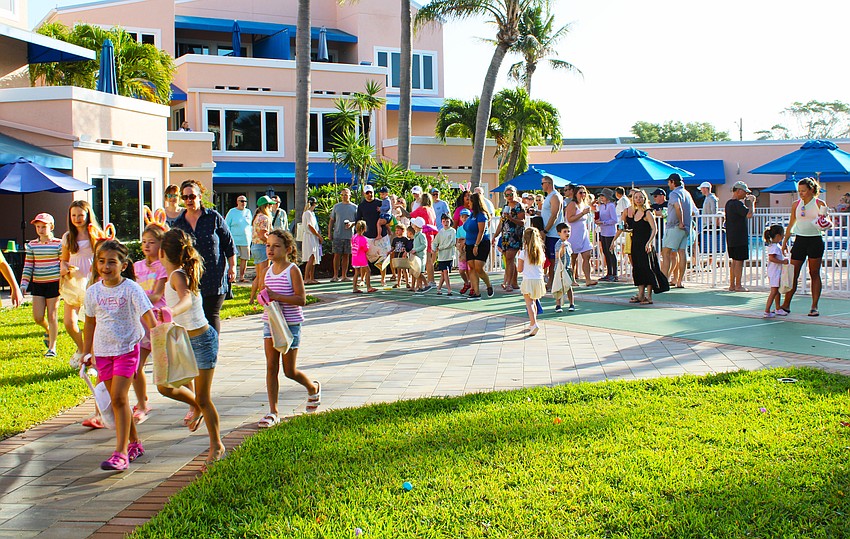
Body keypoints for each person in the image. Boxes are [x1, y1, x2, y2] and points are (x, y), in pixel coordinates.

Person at [81, 239, 156, 471]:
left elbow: (149, 317)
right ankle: (135, 443)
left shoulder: (131, 288)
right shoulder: (93, 292)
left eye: (112, 262)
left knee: (120, 399)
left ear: (123, 265)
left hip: (127, 350)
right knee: (116, 401)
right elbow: (90, 322)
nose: (105, 267)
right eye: (101, 261)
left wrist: (162, 343)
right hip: (103, 353)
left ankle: (121, 453)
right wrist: (86, 352)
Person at [158, 229, 226, 464]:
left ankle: (216, 445)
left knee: (205, 399)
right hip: (184, 342)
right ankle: (196, 405)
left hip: (203, 341)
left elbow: (185, 298)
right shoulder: (173, 275)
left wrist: (171, 312)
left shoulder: (178, 275)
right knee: (164, 386)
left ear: (162, 253)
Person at [257, 230, 320, 427]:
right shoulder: (267, 270)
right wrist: (264, 299)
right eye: (268, 245)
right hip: (271, 323)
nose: (270, 249)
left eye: (276, 246)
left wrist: (276, 296)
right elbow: (267, 294)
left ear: (288, 249)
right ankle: (273, 411)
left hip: (290, 325)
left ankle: (312, 388)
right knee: (271, 366)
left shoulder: (292, 270)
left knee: (289, 370)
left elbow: (301, 299)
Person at [172, 179, 237, 333]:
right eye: (185, 197)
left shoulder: (213, 217)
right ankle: (200, 349)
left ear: (200, 197)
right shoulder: (179, 223)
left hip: (215, 275)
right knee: (195, 315)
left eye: (192, 196)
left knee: (211, 314)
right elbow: (174, 250)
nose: (188, 200)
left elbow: (229, 243)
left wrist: (232, 267)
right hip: (191, 276)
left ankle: (212, 348)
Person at [130, 224, 167, 424]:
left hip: (159, 321)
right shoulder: (136, 266)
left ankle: (194, 402)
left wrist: (137, 300)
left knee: (172, 365)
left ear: (160, 244)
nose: (146, 246)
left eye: (152, 242)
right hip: (141, 323)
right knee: (137, 365)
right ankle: (142, 403)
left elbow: (158, 295)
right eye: (144, 242)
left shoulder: (163, 266)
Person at [60, 200, 102, 368]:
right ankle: (81, 348)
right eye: (74, 215)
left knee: (90, 323)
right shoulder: (68, 237)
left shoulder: (96, 234)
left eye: (80, 215)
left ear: (87, 215)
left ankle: (91, 360)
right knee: (69, 322)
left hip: (91, 282)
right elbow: (63, 260)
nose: (77, 218)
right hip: (73, 282)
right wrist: (64, 268)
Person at [779, 177, 828, 317]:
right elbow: (791, 224)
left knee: (814, 273)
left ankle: (814, 306)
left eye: (803, 191)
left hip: (815, 240)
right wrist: (784, 242)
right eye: (799, 191)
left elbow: (824, 222)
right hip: (800, 240)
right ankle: (786, 304)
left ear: (811, 190)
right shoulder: (796, 204)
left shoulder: (819, 203)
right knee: (793, 273)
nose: (801, 193)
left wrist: (825, 219)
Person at [21, 213, 62, 358]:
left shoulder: (58, 243)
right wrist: (24, 284)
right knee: (38, 317)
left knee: (52, 315)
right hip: (38, 284)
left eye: (44, 226)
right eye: (38, 227)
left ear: (51, 227)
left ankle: (52, 347)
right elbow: (28, 266)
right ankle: (49, 330)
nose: (40, 229)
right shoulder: (32, 245)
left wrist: (64, 282)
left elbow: (63, 263)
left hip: (53, 283)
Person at [625, 190, 660, 305]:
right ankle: (640, 294)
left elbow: (654, 229)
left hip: (645, 245)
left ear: (645, 199)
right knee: (638, 269)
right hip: (636, 244)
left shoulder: (648, 213)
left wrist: (649, 242)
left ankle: (649, 296)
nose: (638, 199)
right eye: (636, 197)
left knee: (647, 269)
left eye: (641, 197)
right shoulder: (635, 213)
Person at [661, 173, 695, 288]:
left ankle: (663, 280)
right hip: (686, 228)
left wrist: (680, 221)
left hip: (675, 226)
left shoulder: (674, 193)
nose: (668, 184)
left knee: (665, 252)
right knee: (682, 252)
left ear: (672, 182)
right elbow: (694, 211)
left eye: (669, 182)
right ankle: (679, 281)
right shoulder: (687, 193)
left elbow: (677, 206)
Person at [725, 181, 756, 292]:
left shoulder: (728, 203)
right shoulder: (738, 204)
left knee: (734, 261)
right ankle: (738, 285)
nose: (745, 195)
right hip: (739, 236)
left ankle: (732, 285)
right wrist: (752, 203)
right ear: (739, 191)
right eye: (744, 192)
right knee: (739, 261)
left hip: (731, 236)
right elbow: (749, 214)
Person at [494, 185, 525, 292]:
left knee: (510, 259)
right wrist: (495, 235)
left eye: (511, 194)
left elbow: (522, 222)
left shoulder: (518, 206)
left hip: (515, 236)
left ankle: (507, 283)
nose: (509, 197)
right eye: (507, 195)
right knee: (509, 260)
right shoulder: (505, 206)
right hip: (505, 236)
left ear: (515, 193)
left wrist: (511, 218)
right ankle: (514, 283)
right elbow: (501, 222)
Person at [565, 186, 597, 287]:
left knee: (587, 255)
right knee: (573, 257)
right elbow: (570, 219)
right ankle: (572, 279)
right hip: (574, 234)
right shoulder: (572, 204)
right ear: (575, 194)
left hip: (583, 233)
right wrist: (582, 213)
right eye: (580, 193)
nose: (583, 195)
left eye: (584, 193)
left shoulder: (584, 204)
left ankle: (588, 279)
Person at [517, 228, 546, 336]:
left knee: (529, 304)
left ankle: (534, 323)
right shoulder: (540, 252)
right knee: (534, 301)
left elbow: (519, 269)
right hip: (538, 279)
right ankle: (532, 322)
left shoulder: (523, 253)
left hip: (528, 279)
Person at [464, 192, 493, 300]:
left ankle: (488, 285)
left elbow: (481, 231)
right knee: (471, 266)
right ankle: (476, 292)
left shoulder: (481, 215)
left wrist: (476, 245)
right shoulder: (472, 214)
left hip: (481, 243)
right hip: (469, 243)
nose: (468, 203)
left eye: (470, 201)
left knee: (478, 267)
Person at [540, 176, 564, 290]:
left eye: (542, 183)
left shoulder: (555, 196)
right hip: (549, 233)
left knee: (553, 260)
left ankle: (552, 282)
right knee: (549, 258)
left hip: (553, 233)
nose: (541, 186)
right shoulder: (549, 196)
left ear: (548, 183)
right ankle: (551, 281)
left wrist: (546, 230)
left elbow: (554, 215)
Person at [328, 188, 357, 282]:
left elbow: (358, 221)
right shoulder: (336, 207)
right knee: (337, 255)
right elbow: (331, 220)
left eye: (346, 194)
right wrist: (329, 233)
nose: (344, 196)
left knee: (346, 255)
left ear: (350, 195)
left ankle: (344, 276)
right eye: (343, 195)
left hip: (349, 235)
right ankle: (335, 275)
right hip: (337, 234)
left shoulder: (354, 207)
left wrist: (352, 223)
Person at [249, 196, 274, 303]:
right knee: (263, 276)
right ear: (266, 206)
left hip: (255, 246)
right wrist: (273, 242)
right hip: (262, 247)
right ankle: (263, 300)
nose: (271, 207)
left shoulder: (256, 217)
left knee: (259, 275)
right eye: (270, 205)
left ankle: (251, 299)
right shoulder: (264, 218)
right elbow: (262, 234)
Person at [763, 224, 789, 318]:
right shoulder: (774, 247)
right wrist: (782, 262)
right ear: (778, 236)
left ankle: (778, 308)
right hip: (774, 273)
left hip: (775, 272)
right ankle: (767, 310)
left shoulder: (774, 246)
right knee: (774, 291)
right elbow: (772, 258)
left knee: (777, 290)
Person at [224, 195, 252, 282]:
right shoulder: (232, 212)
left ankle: (241, 277)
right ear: (237, 202)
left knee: (245, 258)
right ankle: (232, 277)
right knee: (233, 259)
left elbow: (250, 225)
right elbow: (226, 225)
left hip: (246, 240)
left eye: (245, 201)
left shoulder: (248, 212)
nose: (243, 203)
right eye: (241, 201)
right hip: (234, 240)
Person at [595, 188, 619, 282]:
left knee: (611, 253)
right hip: (603, 231)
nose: (601, 197)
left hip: (610, 232)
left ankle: (614, 274)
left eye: (602, 196)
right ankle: (609, 273)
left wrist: (603, 222)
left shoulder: (611, 206)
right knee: (605, 252)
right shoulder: (601, 206)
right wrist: (598, 221)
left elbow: (614, 220)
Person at [552, 223, 575, 313]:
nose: (567, 233)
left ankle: (571, 303)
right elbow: (558, 256)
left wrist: (572, 267)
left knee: (569, 286)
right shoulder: (559, 244)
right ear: (559, 233)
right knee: (559, 286)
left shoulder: (568, 244)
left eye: (568, 231)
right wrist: (561, 249)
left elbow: (570, 256)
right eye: (564, 231)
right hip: (559, 269)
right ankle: (558, 304)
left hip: (567, 268)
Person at [300, 197, 322, 285]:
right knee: (311, 256)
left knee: (314, 258)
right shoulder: (307, 213)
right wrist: (318, 236)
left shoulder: (312, 214)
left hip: (313, 237)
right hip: (309, 237)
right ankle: (306, 278)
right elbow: (310, 226)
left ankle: (312, 277)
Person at [433, 213, 456, 295]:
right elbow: (435, 242)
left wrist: (441, 247)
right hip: (441, 256)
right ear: (441, 222)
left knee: (444, 272)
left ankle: (439, 288)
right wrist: (434, 248)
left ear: (450, 221)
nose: (445, 223)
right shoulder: (440, 232)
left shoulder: (452, 231)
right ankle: (448, 289)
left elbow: (452, 242)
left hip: (449, 255)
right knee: (444, 272)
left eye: (447, 221)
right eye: (444, 221)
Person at [351, 220, 374, 294]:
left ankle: (354, 288)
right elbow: (365, 248)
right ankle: (369, 287)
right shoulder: (363, 238)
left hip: (354, 256)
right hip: (361, 257)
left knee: (356, 272)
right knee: (368, 271)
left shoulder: (354, 237)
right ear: (364, 228)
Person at [410, 217, 429, 292]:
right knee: (417, 272)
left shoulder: (421, 235)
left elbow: (424, 245)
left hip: (420, 256)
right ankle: (420, 286)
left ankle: (426, 284)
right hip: (417, 256)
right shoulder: (416, 235)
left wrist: (416, 250)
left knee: (420, 272)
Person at [456, 209, 472, 294]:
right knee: (462, 270)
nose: (465, 218)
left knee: (470, 270)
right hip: (462, 251)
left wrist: (465, 240)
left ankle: (472, 285)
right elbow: (458, 240)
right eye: (463, 216)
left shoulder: (471, 227)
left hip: (469, 250)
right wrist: (460, 247)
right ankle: (467, 282)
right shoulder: (459, 229)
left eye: (466, 216)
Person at [390, 224, 411, 288]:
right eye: (396, 230)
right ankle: (398, 283)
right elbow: (393, 247)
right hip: (397, 256)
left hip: (403, 256)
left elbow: (408, 248)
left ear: (402, 231)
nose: (396, 232)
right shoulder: (394, 239)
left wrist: (405, 251)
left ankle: (407, 282)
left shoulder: (405, 239)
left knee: (405, 269)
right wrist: (390, 251)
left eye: (398, 230)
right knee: (398, 270)